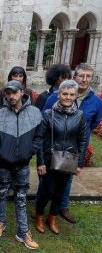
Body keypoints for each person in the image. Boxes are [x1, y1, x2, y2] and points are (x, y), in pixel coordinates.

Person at [41, 63, 102, 223]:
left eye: (88, 76)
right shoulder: (56, 96)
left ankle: (62, 206)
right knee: (47, 180)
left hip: (74, 147)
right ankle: (40, 208)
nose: (84, 79)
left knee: (66, 179)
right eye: (81, 75)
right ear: (75, 76)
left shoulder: (95, 101)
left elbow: (94, 122)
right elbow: (45, 117)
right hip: (53, 145)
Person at [0, 80, 43, 250]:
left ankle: (23, 232)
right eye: (8, 93)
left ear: (22, 92)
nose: (11, 96)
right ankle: (1, 221)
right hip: (3, 164)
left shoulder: (35, 113)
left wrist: (30, 151)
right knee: (2, 193)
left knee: (21, 198)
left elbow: (39, 137)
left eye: (14, 92)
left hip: (23, 165)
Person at [35, 80, 87, 234]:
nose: (68, 97)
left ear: (76, 95)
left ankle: (52, 217)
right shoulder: (48, 114)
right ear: (59, 95)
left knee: (60, 191)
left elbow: (83, 140)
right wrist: (40, 162)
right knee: (47, 190)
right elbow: (39, 139)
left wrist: (80, 163)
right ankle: (38, 216)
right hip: (49, 159)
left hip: (69, 160)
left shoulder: (80, 115)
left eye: (72, 94)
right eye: (65, 94)